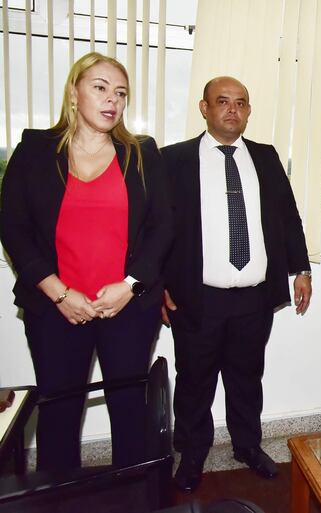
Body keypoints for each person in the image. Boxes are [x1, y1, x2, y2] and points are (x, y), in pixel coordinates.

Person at [0, 52, 172, 472]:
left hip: (127, 308)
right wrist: (59, 293)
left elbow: (163, 227)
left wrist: (130, 285)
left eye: (121, 93)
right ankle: (59, 497)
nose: (112, 100)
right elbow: (13, 227)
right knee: (59, 412)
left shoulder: (143, 153)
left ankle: (134, 497)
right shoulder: (35, 149)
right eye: (100, 88)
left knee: (130, 411)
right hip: (55, 309)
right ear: (74, 93)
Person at [161, 76, 312, 492]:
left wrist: (302, 269)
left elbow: (288, 217)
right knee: (194, 380)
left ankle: (247, 446)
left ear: (248, 111)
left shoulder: (265, 156)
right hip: (198, 297)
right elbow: (156, 228)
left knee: (247, 376)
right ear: (204, 108)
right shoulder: (173, 159)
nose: (233, 110)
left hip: (254, 296)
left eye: (241, 103)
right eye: (223, 102)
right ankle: (192, 455)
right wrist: (157, 285)